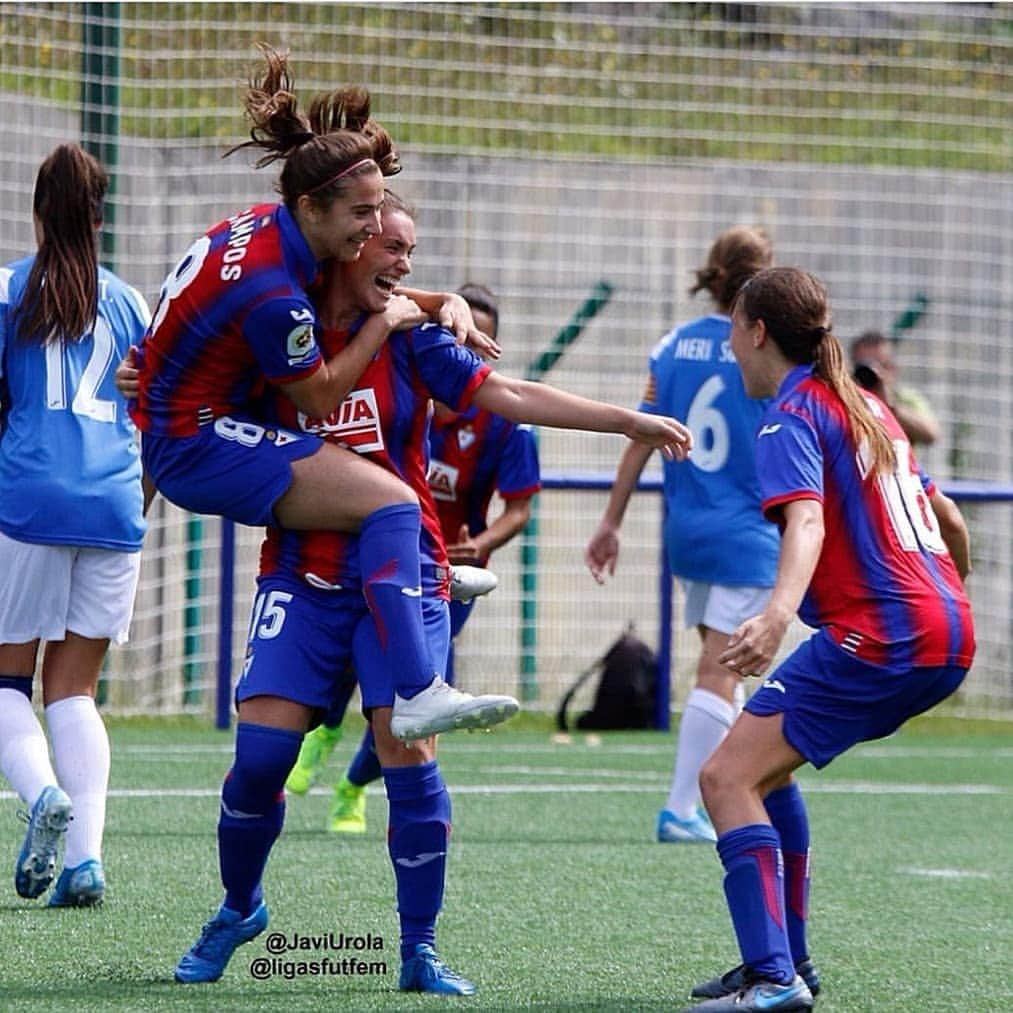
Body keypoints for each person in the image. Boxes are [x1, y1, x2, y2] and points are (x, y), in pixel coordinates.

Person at [172, 192, 693, 990]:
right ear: (346, 242)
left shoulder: (416, 339)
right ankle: (239, 906)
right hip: (301, 576)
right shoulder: (280, 326)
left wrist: (628, 421)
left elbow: (508, 394)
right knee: (258, 761)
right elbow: (202, 384)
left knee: (408, 760)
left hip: (401, 578)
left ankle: (418, 948)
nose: (406, 263)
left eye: (411, 250)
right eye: (391, 245)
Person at [128, 45, 516, 742]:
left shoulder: (268, 227)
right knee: (389, 498)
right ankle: (420, 685)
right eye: (362, 214)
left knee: (372, 492)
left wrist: (434, 299)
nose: (374, 228)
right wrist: (395, 319)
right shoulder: (278, 294)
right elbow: (317, 398)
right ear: (312, 206)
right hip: (195, 441)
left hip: (191, 411)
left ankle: (413, 569)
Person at [680, 266, 973, 1013]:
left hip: (881, 632)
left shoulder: (791, 415)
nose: (732, 349)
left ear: (755, 332)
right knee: (762, 772)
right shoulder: (870, 406)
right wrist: (948, 598)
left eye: (733, 333)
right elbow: (952, 523)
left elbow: (805, 521)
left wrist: (777, 613)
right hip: (946, 630)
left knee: (722, 780)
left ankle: (773, 978)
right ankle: (789, 964)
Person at [287, 282, 541, 834]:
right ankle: (324, 732)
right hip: (372, 558)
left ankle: (354, 789)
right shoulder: (404, 389)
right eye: (458, 334)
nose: (463, 349)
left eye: (477, 343)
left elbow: (520, 508)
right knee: (349, 665)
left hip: (444, 576)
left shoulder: (500, 423)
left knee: (413, 703)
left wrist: (488, 540)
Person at [585, 226, 778, 844]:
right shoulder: (762, 345)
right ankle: (683, 808)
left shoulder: (671, 346)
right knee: (720, 672)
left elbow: (641, 434)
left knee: (726, 668)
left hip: (688, 531)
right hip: (748, 530)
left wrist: (612, 520)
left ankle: (736, 785)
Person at [0, 144, 150, 907]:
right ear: (100, 215)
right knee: (76, 688)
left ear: (36, 210)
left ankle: (41, 796)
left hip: (29, 501)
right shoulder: (131, 304)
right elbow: (156, 412)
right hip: (117, 505)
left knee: (4, 678)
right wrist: (136, 504)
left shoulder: (9, 292)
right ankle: (86, 860)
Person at [850, 329, 939, 447]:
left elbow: (931, 434)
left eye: (881, 365)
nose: (873, 372)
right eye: (865, 366)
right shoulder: (845, 400)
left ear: (893, 368)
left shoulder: (905, 399)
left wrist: (890, 406)